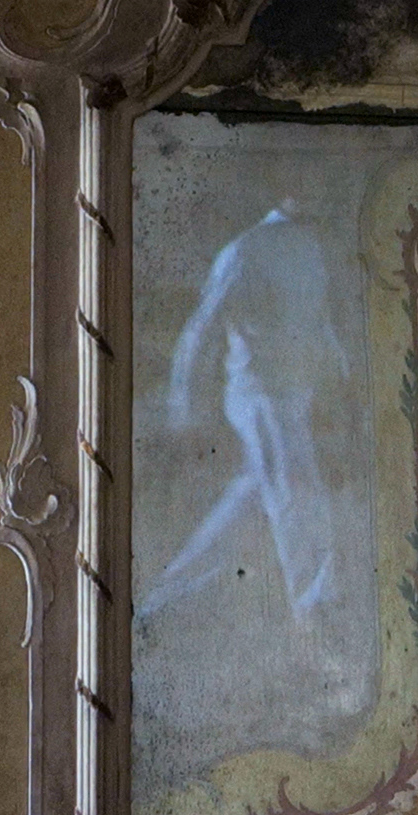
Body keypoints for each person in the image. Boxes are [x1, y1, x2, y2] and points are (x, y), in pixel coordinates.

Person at [139, 199, 349, 621]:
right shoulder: (245, 250)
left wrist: (343, 375)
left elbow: (320, 321)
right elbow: (201, 328)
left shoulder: (310, 247)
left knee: (249, 502)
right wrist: (183, 405)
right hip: (260, 396)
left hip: (295, 397)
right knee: (294, 494)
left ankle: (157, 603)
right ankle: (314, 605)